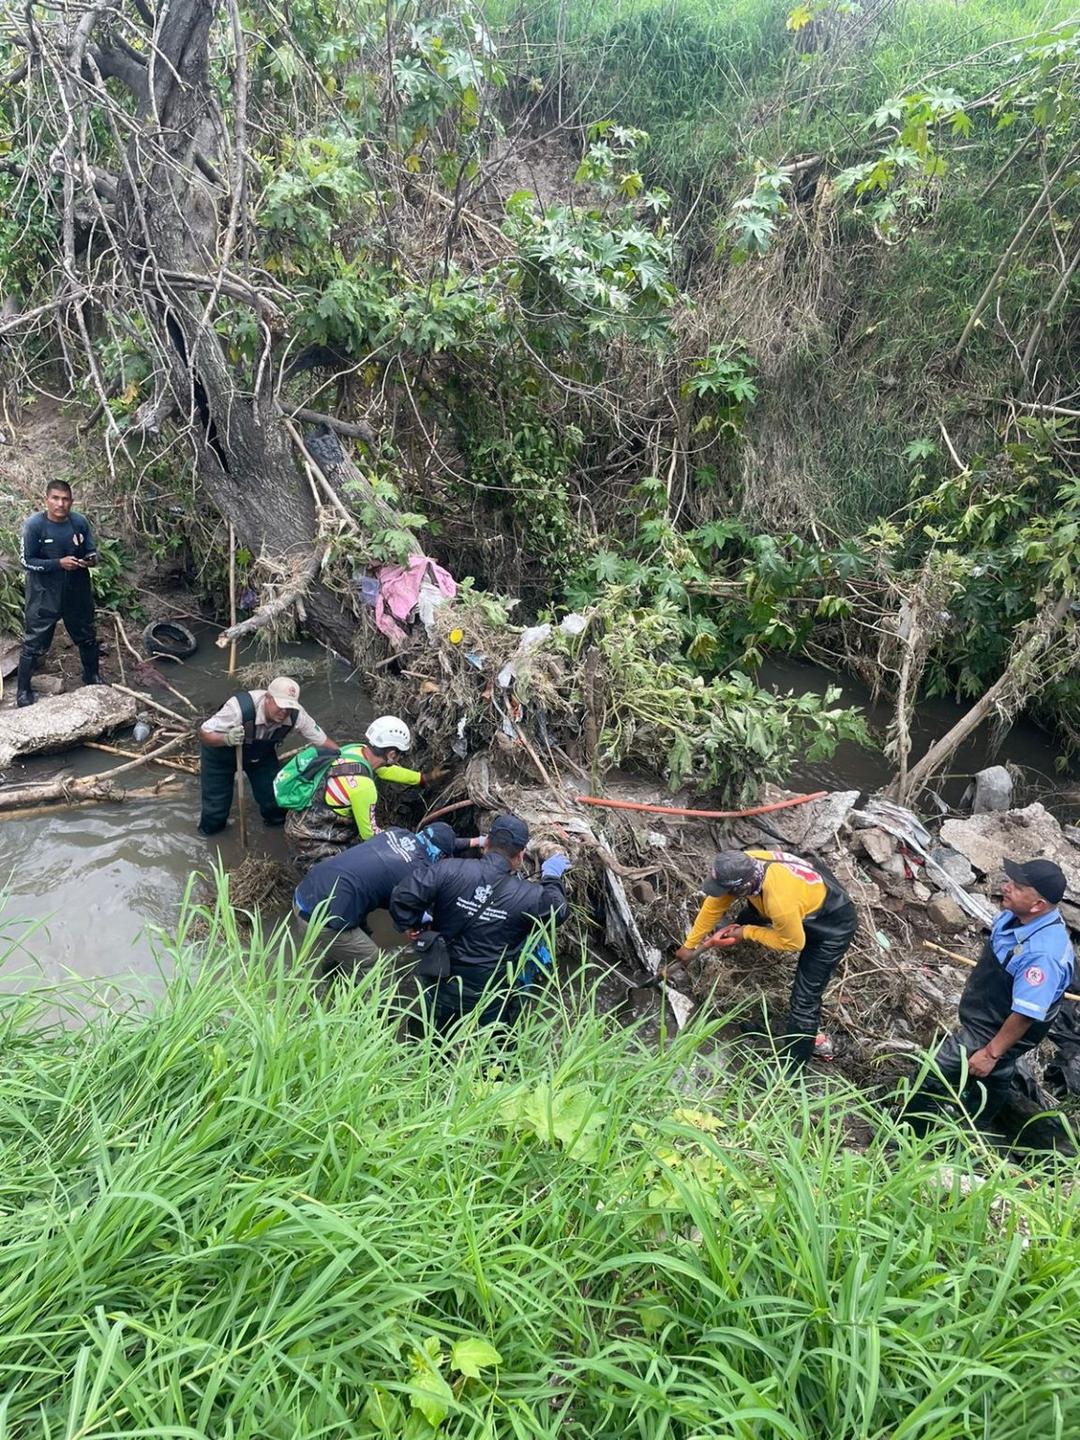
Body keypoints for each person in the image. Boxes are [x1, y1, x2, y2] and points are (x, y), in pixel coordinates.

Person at [901, 858, 1075, 1135]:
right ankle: (973, 1131)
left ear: (1038, 904)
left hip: (998, 1026)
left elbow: (1026, 1014)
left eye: (1017, 887)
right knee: (991, 1076)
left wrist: (991, 1052)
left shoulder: (1043, 956)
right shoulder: (1016, 916)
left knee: (933, 1072)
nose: (1006, 887)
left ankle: (907, 1135)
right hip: (987, 1013)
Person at [389, 812, 570, 1037]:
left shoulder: (448, 869)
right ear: (521, 855)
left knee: (429, 1039)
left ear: (486, 845)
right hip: (490, 987)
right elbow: (559, 909)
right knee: (494, 1053)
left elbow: (403, 895)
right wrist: (551, 877)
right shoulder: (529, 896)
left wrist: (412, 924)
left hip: (441, 973)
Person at [674, 848, 858, 1068]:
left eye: (727, 890)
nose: (722, 893)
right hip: (801, 900)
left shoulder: (779, 901)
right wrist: (689, 945)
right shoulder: (745, 864)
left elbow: (793, 943)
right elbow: (715, 903)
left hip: (831, 926)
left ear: (743, 887)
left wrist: (747, 932)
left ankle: (792, 1069)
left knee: (805, 999)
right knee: (748, 919)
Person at [293, 822, 481, 978]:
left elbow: (440, 844)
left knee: (349, 946)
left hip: (308, 894)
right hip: (324, 919)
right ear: (440, 856)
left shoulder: (397, 834)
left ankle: (329, 980)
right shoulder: (415, 871)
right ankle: (376, 1017)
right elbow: (403, 907)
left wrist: (478, 841)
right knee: (371, 964)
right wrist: (412, 927)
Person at [284, 715, 448, 867]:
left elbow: (386, 770)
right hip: (310, 840)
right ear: (391, 754)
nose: (399, 759)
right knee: (346, 872)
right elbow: (369, 834)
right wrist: (402, 839)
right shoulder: (364, 787)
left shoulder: (356, 751)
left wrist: (423, 778)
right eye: (399, 755)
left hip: (296, 819)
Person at [197, 676, 339, 836]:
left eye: (289, 707)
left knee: (274, 799)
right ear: (268, 698)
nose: (284, 712)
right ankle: (211, 836)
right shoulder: (238, 708)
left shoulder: (296, 715)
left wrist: (343, 757)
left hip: (260, 755)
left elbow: (321, 740)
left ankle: (276, 830)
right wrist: (226, 738)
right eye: (281, 706)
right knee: (216, 807)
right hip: (221, 753)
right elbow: (204, 733)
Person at [17, 480, 101, 705]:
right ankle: (23, 690)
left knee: (87, 636)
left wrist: (90, 560)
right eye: (55, 498)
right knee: (34, 642)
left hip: (77, 590)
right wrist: (58, 563)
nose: (60, 503)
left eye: (65, 499)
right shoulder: (34, 525)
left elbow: (92, 551)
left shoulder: (79, 522)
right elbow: (26, 561)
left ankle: (92, 676)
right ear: (47, 499)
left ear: (71, 501)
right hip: (44, 593)